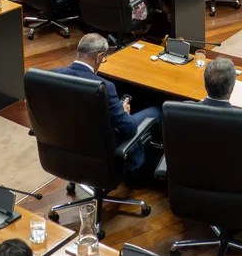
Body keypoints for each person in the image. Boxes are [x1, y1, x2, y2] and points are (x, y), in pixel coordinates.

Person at [50, 33, 160, 172]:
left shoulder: (52, 75)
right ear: (99, 57)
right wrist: (125, 113)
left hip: (67, 141)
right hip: (100, 147)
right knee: (156, 111)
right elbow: (129, 127)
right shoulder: (104, 87)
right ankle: (149, 166)